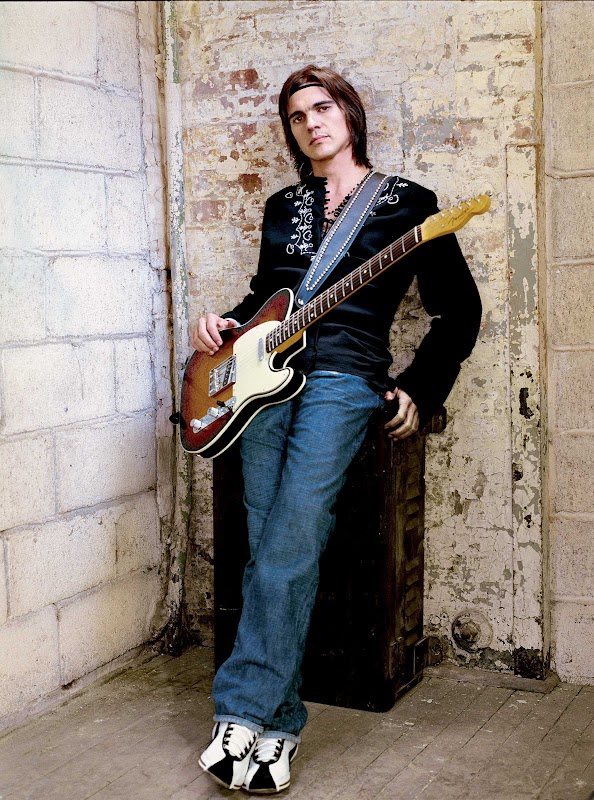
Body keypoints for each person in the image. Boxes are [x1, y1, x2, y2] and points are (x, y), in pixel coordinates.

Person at [193, 65, 482, 794]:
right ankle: (281, 720)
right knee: (267, 540)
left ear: (349, 114)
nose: (311, 124)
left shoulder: (408, 204)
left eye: (322, 108)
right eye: (297, 116)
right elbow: (268, 298)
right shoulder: (283, 205)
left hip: (345, 376)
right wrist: (224, 326)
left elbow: (459, 312)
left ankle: (243, 713)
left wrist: (420, 387)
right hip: (263, 378)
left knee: (294, 532)